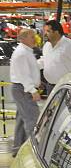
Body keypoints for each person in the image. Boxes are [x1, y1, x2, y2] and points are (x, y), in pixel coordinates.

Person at [10, 28, 41, 156]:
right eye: (31, 37)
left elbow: (31, 68)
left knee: (22, 120)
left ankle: (18, 149)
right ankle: (32, 153)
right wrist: (33, 90)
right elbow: (24, 75)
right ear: (23, 39)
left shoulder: (26, 51)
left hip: (21, 89)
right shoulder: (22, 53)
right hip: (23, 89)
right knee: (32, 119)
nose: (34, 39)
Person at [40, 19, 71, 92]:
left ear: (56, 32)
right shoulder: (47, 46)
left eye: (48, 31)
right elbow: (45, 60)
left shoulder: (70, 45)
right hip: (50, 86)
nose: (45, 34)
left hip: (67, 87)